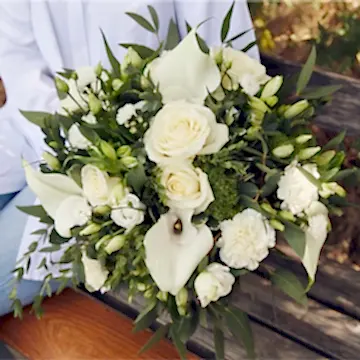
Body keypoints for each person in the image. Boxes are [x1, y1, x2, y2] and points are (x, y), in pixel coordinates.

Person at [0, 0, 258, 316]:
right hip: (29, 135)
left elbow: (231, 56)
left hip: (127, 178)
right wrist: (70, 139)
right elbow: (19, 63)